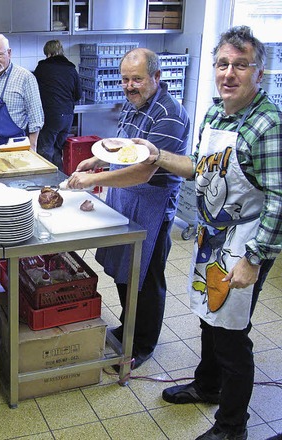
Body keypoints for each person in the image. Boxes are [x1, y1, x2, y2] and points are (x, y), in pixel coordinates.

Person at [136, 26, 281, 440]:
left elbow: (278, 199)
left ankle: (232, 427)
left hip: (245, 242)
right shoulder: (216, 113)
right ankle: (207, 385)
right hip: (213, 236)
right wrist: (157, 154)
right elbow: (200, 169)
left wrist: (253, 259)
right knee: (207, 316)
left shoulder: (269, 125)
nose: (229, 73)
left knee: (232, 335)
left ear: (260, 72)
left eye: (240, 65)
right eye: (222, 64)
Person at [67, 48, 190, 370]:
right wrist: (97, 158)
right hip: (126, 197)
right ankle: (128, 327)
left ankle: (143, 343)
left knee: (146, 278)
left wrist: (91, 178)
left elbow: (143, 170)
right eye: (125, 79)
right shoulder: (134, 106)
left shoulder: (169, 113)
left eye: (137, 79)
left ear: (156, 77)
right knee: (125, 272)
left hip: (152, 202)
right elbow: (124, 149)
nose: (129, 85)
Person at [33, 39, 81, 169]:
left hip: (50, 116)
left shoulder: (42, 68)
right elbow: (78, 95)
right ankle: (59, 182)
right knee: (57, 150)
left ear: (48, 53)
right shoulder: (71, 69)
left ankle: (46, 183)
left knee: (45, 150)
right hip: (67, 117)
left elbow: (34, 93)